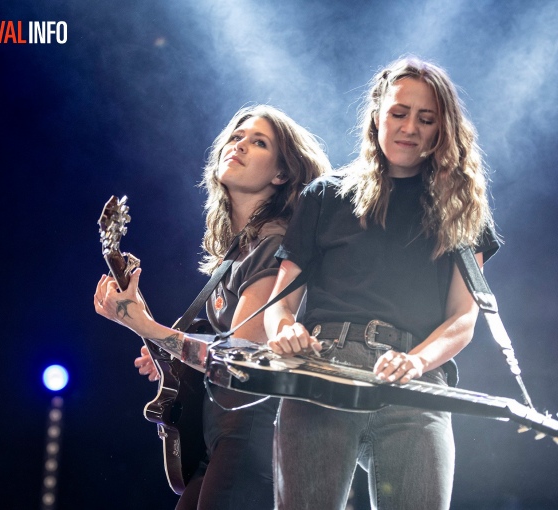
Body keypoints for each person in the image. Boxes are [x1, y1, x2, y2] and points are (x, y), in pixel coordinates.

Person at [263, 56, 500, 509]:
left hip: (416, 383)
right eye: (398, 113)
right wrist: (285, 330)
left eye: (425, 118)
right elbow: (279, 305)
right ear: (377, 117)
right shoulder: (326, 195)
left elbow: (464, 317)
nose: (409, 126)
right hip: (322, 373)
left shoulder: (462, 209)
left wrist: (415, 361)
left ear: (441, 130)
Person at [94, 104, 330, 509]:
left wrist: (150, 329)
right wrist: (164, 348)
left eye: (258, 143)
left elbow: (239, 358)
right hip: (221, 433)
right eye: (237, 136)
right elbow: (206, 353)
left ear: (281, 174)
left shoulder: (273, 245)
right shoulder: (238, 254)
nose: (238, 145)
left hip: (255, 431)